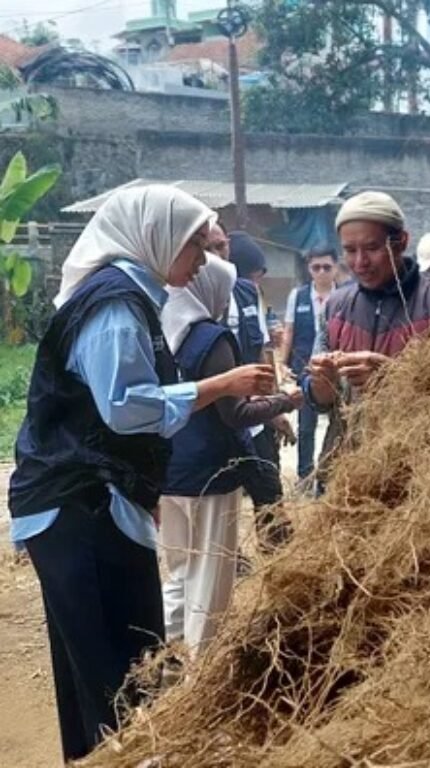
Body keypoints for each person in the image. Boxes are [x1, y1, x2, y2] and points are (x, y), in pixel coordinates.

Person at [6, 186, 276, 762]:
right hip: (79, 505)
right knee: (114, 662)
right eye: (194, 247)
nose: (202, 262)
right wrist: (219, 386)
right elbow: (126, 407)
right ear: (155, 239)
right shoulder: (114, 306)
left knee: (106, 658)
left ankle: (101, 757)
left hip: (90, 500)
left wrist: (140, 486)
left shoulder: (126, 298)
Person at [159, 257, 301, 653]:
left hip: (169, 470)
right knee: (209, 577)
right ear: (214, 291)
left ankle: (168, 657)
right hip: (210, 474)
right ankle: (200, 673)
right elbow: (235, 413)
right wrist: (284, 402)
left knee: (180, 573)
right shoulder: (211, 338)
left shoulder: (160, 329)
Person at [303, 192, 430, 464]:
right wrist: (321, 383)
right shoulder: (335, 308)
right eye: (350, 251)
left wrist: (395, 378)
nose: (360, 262)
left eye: (372, 248)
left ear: (401, 242)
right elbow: (321, 400)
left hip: (418, 472)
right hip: (346, 472)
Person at [221, 229, 292, 550]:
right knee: (222, 495)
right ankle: (230, 556)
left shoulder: (251, 297)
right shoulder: (195, 298)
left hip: (256, 414)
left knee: (269, 488)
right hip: (221, 415)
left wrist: (276, 406)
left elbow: (264, 353)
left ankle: (275, 550)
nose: (256, 282)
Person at [280, 244, 340, 482]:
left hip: (337, 370)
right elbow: (289, 330)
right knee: (306, 426)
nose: (322, 272)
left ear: (336, 267)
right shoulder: (299, 296)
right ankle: (305, 475)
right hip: (305, 369)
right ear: (309, 269)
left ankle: (331, 475)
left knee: (338, 425)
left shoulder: (344, 295)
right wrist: (283, 363)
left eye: (327, 267)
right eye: (316, 267)